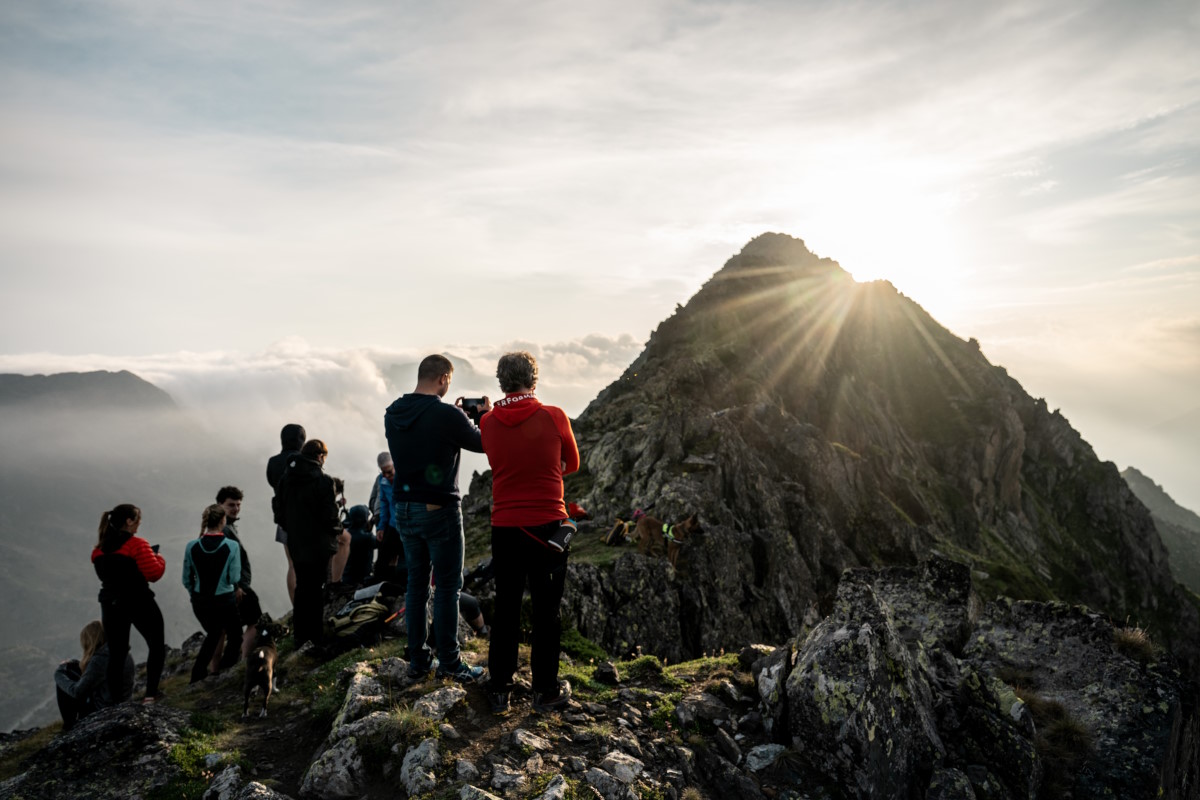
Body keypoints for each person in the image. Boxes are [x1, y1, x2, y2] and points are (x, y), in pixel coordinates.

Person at [480, 351, 579, 713]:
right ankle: (545, 691)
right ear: (533, 379)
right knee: (546, 610)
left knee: (506, 606)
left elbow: (496, 460)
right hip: (548, 527)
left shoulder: (488, 422)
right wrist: (547, 473)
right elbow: (573, 463)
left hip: (505, 526)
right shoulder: (553, 416)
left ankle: (500, 688)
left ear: (501, 382)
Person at [384, 354, 489, 683]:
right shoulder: (446, 413)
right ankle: (450, 662)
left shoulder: (394, 412)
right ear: (444, 378)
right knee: (447, 587)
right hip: (438, 509)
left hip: (404, 510)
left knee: (416, 585)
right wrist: (483, 416)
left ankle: (418, 660)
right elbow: (484, 444)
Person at [91, 503, 166, 704]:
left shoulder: (98, 551)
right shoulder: (137, 545)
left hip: (110, 604)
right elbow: (153, 574)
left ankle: (115, 703)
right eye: (138, 521)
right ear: (129, 521)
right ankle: (150, 694)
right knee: (156, 645)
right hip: (138, 600)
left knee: (117, 653)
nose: (139, 526)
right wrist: (159, 558)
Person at [273, 438, 342, 649]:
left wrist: (292, 528)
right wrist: (336, 529)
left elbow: (279, 510)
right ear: (320, 456)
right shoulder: (323, 480)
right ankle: (315, 637)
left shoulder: (286, 478)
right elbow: (330, 514)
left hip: (296, 541)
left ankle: (300, 637)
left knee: (303, 587)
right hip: (319, 543)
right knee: (317, 589)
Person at [181, 504, 243, 683]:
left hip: (200, 601)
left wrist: (194, 593)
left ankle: (198, 674)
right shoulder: (231, 546)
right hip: (224, 600)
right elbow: (234, 578)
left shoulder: (191, 546)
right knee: (235, 634)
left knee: (214, 634)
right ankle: (225, 670)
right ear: (223, 521)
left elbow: (186, 578)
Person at [207, 486, 261, 669]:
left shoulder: (217, 527)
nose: (236, 508)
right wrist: (237, 585)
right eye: (231, 504)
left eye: (238, 505)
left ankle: (214, 668)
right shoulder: (224, 529)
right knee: (255, 620)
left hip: (217, 588)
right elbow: (225, 561)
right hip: (236, 586)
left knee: (220, 628)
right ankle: (244, 661)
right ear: (219, 504)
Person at [54, 621, 134, 730]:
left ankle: (70, 726)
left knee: (65, 676)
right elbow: (95, 673)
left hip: (102, 709)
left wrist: (59, 673)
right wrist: (73, 663)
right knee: (71, 668)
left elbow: (77, 692)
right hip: (121, 703)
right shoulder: (121, 651)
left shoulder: (100, 660)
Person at [267, 423, 305, 605]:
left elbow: (272, 482)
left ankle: (295, 605)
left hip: (283, 519)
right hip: (305, 519)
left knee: (292, 565)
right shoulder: (304, 460)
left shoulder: (273, 462)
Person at [369, 452, 405, 587]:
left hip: (407, 524)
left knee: (406, 560)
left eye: (389, 472)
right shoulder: (382, 480)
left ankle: (401, 585)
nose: (386, 475)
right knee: (383, 559)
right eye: (383, 472)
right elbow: (383, 503)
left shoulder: (404, 475)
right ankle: (383, 585)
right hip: (392, 524)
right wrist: (381, 527)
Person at [341, 504, 377, 587]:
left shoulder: (346, 534)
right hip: (361, 581)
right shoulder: (368, 538)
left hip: (346, 578)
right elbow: (382, 543)